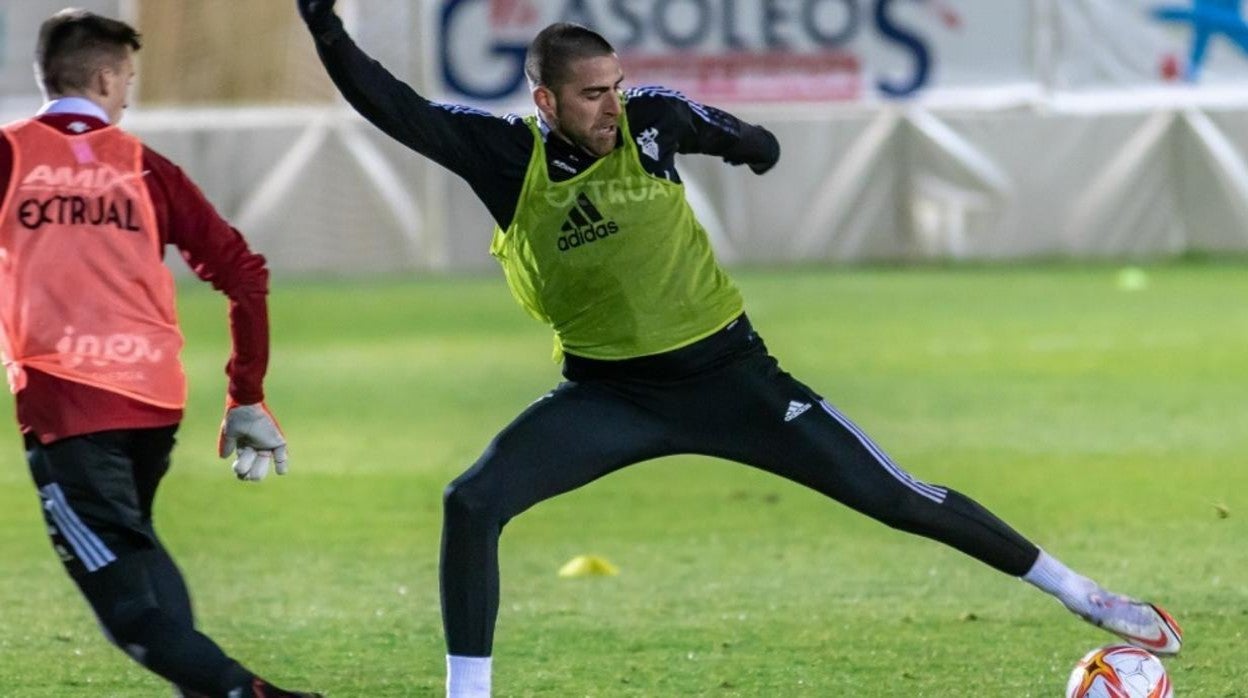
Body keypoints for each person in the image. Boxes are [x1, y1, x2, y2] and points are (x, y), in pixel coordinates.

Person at [296, 2, 1183, 696]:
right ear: (544, 101)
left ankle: (1085, 595)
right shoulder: (500, 156)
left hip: (735, 380)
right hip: (610, 399)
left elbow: (737, 135)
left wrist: (753, 147)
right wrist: (325, 26)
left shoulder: (651, 122)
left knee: (897, 496)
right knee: (470, 502)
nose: (612, 104)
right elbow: (395, 108)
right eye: (591, 93)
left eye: (616, 85)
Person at [0, 10, 322, 698]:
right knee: (134, 544)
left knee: (126, 607)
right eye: (128, 81)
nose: (129, 94)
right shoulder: (145, 167)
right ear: (107, 76)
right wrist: (245, 394)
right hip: (151, 402)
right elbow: (245, 273)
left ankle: (250, 694)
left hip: (66, 404)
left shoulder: (10, 157)